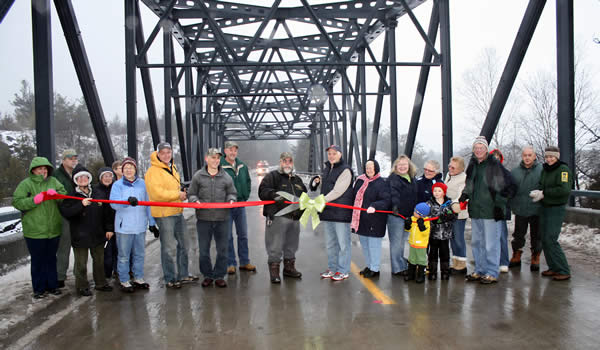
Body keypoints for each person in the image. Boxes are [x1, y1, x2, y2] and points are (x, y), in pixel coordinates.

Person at [460, 136, 514, 285]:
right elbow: (470, 183)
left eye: (481, 148)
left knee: (491, 243)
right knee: (477, 242)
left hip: (491, 211)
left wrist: (499, 205)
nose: (478, 150)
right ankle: (480, 269)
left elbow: (503, 187)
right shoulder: (473, 165)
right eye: (476, 148)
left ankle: (491, 272)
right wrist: (465, 195)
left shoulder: (494, 165)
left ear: (486, 149)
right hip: (476, 210)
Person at [12, 156, 67, 299]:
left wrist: (57, 195)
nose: (43, 171)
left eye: (45, 168)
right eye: (39, 169)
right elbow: (17, 201)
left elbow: (64, 196)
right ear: (33, 170)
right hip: (34, 231)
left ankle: (52, 286)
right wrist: (33, 200)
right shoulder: (26, 184)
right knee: (38, 260)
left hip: (53, 229)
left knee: (51, 259)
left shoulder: (53, 181)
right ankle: (39, 288)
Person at [145, 142, 197, 289]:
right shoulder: (152, 172)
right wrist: (177, 195)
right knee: (168, 248)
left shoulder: (172, 167)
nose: (166, 155)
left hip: (177, 211)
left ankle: (183, 274)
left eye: (168, 152)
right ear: (158, 154)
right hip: (164, 214)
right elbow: (156, 194)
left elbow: (174, 187)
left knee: (184, 244)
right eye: (163, 153)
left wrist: (182, 192)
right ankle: (170, 278)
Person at [59, 165, 113, 296]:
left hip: (97, 233)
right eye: (79, 178)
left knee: (99, 261)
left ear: (89, 178)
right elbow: (66, 212)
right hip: (80, 235)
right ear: (75, 180)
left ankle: (101, 283)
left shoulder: (97, 193)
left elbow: (107, 212)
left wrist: (109, 229)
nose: (83, 179)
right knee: (81, 264)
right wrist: (81, 205)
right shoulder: (71, 195)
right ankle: (82, 286)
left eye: (85, 177)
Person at [188, 148, 237, 288]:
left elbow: (232, 192)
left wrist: (231, 200)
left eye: (217, 158)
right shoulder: (198, 176)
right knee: (203, 251)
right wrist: (194, 201)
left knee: (223, 250)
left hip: (223, 219)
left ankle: (220, 275)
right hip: (204, 219)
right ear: (206, 159)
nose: (215, 160)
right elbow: (192, 194)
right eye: (213, 157)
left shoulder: (226, 176)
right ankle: (208, 275)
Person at [258, 152, 307, 283]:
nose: (287, 164)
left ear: (292, 163)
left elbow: (304, 195)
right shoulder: (272, 176)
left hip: (295, 218)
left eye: (289, 161)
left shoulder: (297, 180)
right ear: (280, 162)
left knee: (292, 245)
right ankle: (274, 272)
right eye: (284, 161)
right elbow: (262, 191)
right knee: (275, 245)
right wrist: (273, 195)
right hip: (278, 218)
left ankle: (289, 268)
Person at [110, 157, 156, 292]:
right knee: (124, 256)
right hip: (124, 227)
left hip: (140, 226)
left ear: (135, 169)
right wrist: (126, 201)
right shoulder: (117, 185)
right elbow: (113, 204)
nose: (129, 170)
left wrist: (151, 223)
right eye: (126, 168)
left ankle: (138, 277)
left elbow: (148, 204)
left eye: (131, 167)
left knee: (139, 254)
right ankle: (124, 280)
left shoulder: (142, 184)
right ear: (122, 170)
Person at [309, 145, 354, 282]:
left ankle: (343, 270)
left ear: (340, 154)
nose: (331, 156)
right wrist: (317, 181)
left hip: (341, 213)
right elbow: (325, 185)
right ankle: (332, 268)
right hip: (328, 212)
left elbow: (337, 191)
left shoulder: (346, 170)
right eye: (329, 154)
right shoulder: (327, 169)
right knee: (330, 244)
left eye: (334, 153)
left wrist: (319, 200)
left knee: (343, 244)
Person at [531, 146, 573, 281]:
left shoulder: (563, 170)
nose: (549, 159)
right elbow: (542, 184)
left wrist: (545, 193)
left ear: (557, 156)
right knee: (544, 238)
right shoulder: (545, 170)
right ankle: (553, 267)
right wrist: (538, 192)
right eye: (547, 156)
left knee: (551, 239)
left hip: (556, 208)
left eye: (552, 157)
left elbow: (564, 190)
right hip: (545, 207)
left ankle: (563, 269)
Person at [220, 140, 256, 275]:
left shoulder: (242, 165)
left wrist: (244, 195)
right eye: (230, 149)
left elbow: (247, 181)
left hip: (240, 204)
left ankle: (244, 261)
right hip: (226, 206)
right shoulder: (220, 166)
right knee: (227, 236)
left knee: (243, 235)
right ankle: (230, 263)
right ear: (225, 151)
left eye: (235, 150)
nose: (233, 152)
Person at [351, 160, 390, 278]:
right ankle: (369, 266)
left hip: (375, 220)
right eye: (367, 168)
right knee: (365, 245)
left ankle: (375, 268)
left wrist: (374, 206)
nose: (369, 170)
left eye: (371, 168)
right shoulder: (360, 181)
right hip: (361, 220)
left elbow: (386, 200)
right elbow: (353, 195)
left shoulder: (381, 183)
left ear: (376, 168)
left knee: (373, 246)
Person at [508, 146, 543, 271]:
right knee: (518, 235)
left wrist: (543, 193)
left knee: (537, 236)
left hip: (537, 209)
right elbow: (510, 189)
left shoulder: (542, 170)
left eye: (530, 155)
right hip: (520, 208)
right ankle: (516, 255)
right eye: (525, 155)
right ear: (522, 156)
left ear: (534, 156)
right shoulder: (515, 172)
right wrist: (512, 203)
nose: (527, 158)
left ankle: (535, 257)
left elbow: (548, 186)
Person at [387, 155, 418, 276]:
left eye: (405, 164)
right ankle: (397, 268)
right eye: (400, 165)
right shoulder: (393, 178)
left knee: (402, 241)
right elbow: (394, 193)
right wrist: (395, 206)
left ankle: (400, 263)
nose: (402, 167)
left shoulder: (412, 178)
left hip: (409, 216)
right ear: (396, 166)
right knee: (396, 243)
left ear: (409, 166)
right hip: (396, 215)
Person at [53, 148, 78, 288]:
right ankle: (60, 276)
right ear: (63, 160)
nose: (73, 160)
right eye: (70, 158)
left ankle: (78, 274)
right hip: (63, 213)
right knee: (64, 245)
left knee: (79, 245)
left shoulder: (76, 173)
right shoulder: (57, 175)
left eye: (75, 157)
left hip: (76, 212)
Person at [489, 149, 513, 273]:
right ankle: (490, 261)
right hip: (486, 211)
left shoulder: (506, 174)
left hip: (500, 210)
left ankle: (503, 261)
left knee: (501, 237)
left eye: (498, 157)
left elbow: (510, 192)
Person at [426, 183, 456, 280]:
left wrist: (450, 216)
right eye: (435, 191)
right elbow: (426, 216)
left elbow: (454, 215)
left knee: (445, 253)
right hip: (433, 234)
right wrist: (432, 220)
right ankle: (432, 272)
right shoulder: (429, 203)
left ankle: (445, 272)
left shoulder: (449, 203)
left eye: (439, 191)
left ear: (444, 192)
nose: (437, 193)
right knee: (433, 253)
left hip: (445, 234)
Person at [444, 156, 469, 274]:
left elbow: (460, 196)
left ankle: (462, 264)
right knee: (452, 238)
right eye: (449, 166)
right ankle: (455, 263)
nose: (450, 168)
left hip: (458, 213)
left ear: (460, 168)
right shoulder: (449, 176)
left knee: (458, 238)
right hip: (449, 212)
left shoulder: (464, 179)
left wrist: (452, 203)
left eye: (453, 167)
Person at [95, 167, 118, 280]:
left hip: (117, 225)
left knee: (117, 251)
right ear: (100, 178)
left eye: (110, 176)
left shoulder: (116, 188)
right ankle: (106, 275)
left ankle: (117, 271)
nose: (108, 178)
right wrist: (108, 228)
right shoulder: (96, 190)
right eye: (105, 176)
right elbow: (102, 212)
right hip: (103, 227)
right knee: (107, 253)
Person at [403, 203, 431, 283]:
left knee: (421, 260)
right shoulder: (413, 218)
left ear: (421, 214)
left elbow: (425, 234)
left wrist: (421, 226)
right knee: (412, 259)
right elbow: (408, 230)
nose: (414, 212)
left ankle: (421, 275)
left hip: (421, 245)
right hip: (412, 244)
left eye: (416, 211)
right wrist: (407, 224)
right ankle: (411, 274)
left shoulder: (426, 221)